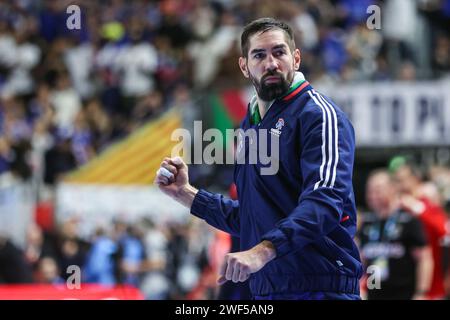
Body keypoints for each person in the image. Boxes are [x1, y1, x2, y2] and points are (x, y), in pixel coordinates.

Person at [155, 17, 362, 300]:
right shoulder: (251, 125)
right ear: (244, 66)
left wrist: (261, 251)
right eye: (259, 55)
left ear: (296, 58)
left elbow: (324, 204)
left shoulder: (319, 116)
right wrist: (185, 194)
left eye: (279, 52)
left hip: (320, 287)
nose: (271, 63)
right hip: (267, 289)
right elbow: (252, 217)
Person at [358, 170, 433, 300]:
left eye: (378, 190)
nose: (372, 195)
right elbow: (362, 259)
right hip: (374, 292)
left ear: (392, 189)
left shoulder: (408, 220)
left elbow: (424, 258)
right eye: (369, 190)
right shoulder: (367, 222)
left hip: (404, 294)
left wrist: (421, 293)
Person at [392, 161, 449, 299]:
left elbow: (444, 231)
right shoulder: (396, 210)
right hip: (401, 287)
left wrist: (416, 207)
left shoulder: (426, 205)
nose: (398, 185)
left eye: (402, 180)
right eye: (396, 181)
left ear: (415, 179)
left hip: (431, 289)